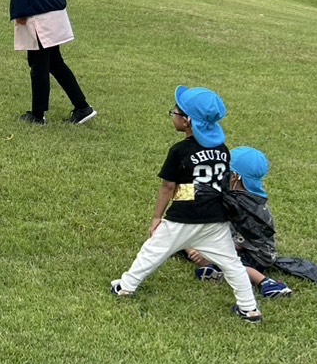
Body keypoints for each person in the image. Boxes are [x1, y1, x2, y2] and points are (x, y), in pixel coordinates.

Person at [109, 86, 263, 323]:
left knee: (153, 251)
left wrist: (157, 217)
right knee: (232, 264)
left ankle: (125, 287)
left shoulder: (179, 151)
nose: (173, 115)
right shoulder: (223, 150)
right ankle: (249, 309)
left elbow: (168, 187)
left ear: (187, 121)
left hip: (183, 217)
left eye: (176, 112)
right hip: (216, 218)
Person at [186, 145, 293, 299]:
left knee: (230, 262)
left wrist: (208, 251)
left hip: (253, 254)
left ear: (235, 177)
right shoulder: (230, 192)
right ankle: (211, 267)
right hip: (225, 241)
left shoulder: (252, 209)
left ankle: (266, 283)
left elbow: (240, 244)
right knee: (180, 230)